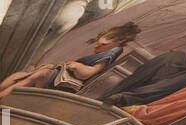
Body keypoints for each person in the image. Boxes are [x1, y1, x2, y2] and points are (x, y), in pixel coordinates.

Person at [0, 23, 140, 97]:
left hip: (66, 81)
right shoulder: (108, 49)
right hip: (61, 72)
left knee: (36, 76)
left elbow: (89, 72)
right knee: (17, 76)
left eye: (103, 45)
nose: (98, 46)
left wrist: (77, 67)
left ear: (120, 41)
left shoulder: (111, 54)